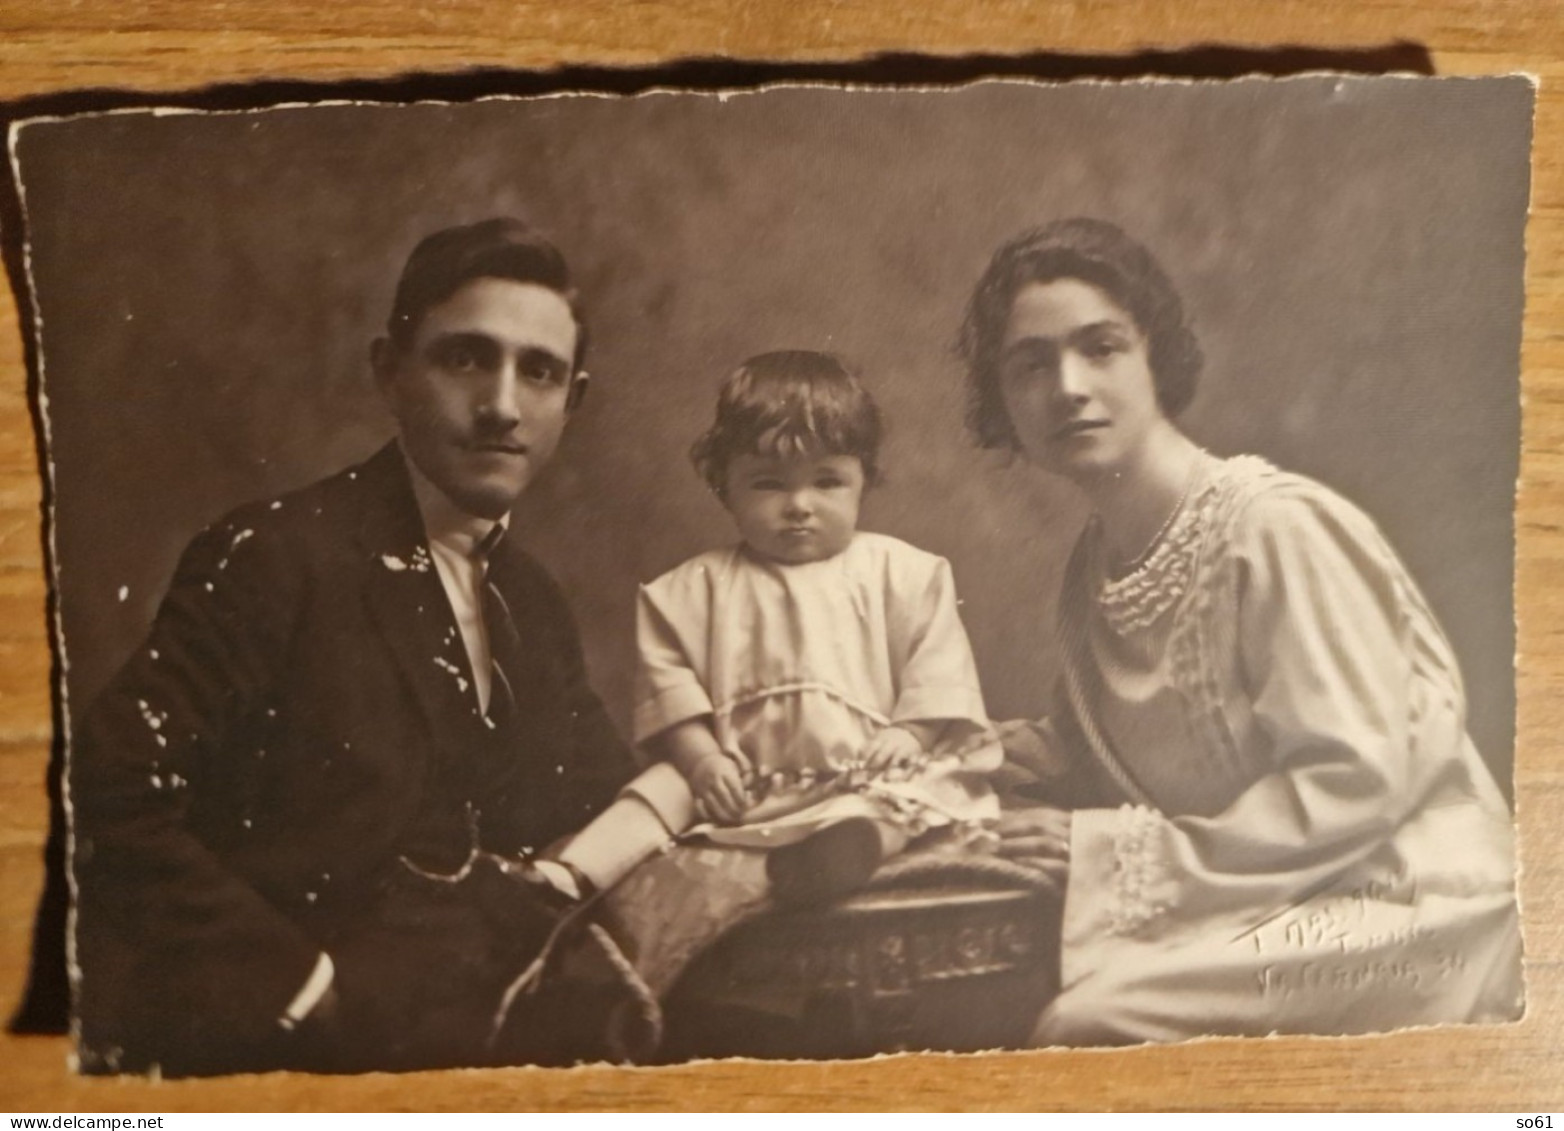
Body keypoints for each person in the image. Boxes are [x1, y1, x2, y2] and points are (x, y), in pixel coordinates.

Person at [71, 217, 636, 1075]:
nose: (502, 406)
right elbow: (108, 788)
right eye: (465, 358)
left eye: (540, 371)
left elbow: (599, 801)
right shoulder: (277, 555)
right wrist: (302, 989)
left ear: (573, 401)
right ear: (390, 371)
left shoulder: (532, 601)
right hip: (266, 1061)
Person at [960, 218, 1523, 1044]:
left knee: (1087, 1022)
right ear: (1003, 400)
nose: (1068, 386)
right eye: (1031, 364)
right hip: (1278, 894)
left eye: (1101, 347)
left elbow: (1356, 778)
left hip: (1408, 899)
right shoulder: (1096, 568)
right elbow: (1104, 747)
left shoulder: (1273, 529)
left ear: (1156, 358)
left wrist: (1114, 853)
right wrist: (940, 753)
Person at [623, 350, 1001, 905]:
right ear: (724, 485)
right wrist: (702, 759)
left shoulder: (905, 575)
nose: (799, 505)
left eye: (827, 482)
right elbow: (670, 689)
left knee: (925, 787)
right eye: (768, 483)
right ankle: (569, 877)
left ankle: (851, 849)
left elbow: (935, 669)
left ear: (862, 483)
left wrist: (909, 734)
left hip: (864, 774)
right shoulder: (689, 591)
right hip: (743, 785)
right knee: (654, 792)